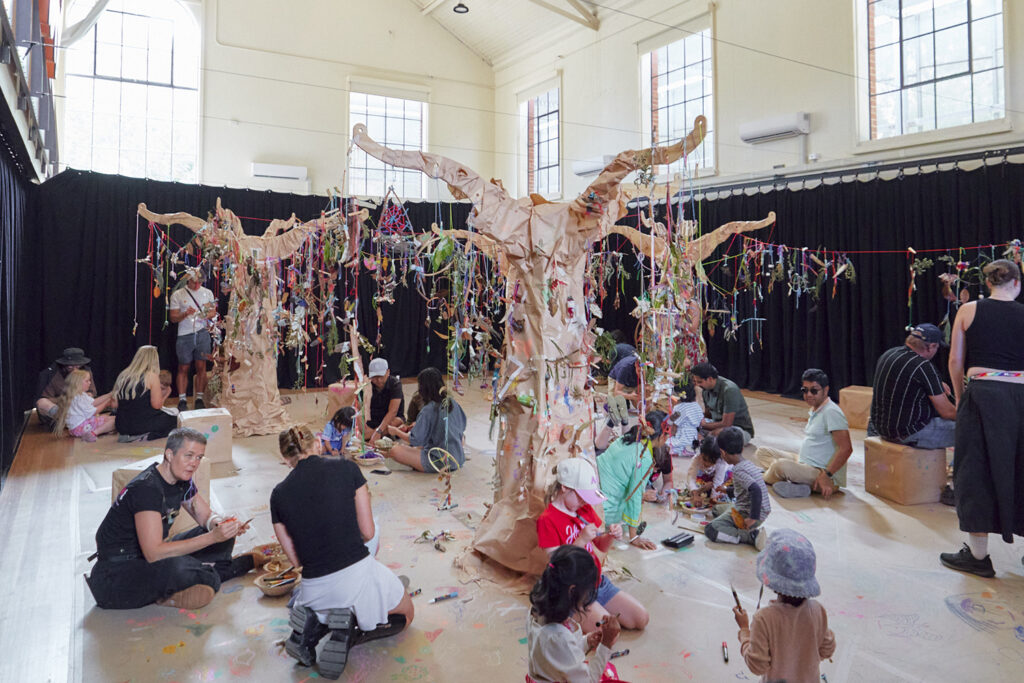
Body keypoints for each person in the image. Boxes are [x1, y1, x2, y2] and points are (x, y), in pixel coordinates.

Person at [273, 425, 413, 678]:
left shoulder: (277, 495)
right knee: (406, 615)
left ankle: (314, 628)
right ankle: (351, 632)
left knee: (337, 599)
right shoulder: (347, 467)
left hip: (314, 587)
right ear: (317, 443)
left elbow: (295, 560)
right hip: (356, 573)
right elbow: (368, 532)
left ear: (285, 458)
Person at [86, 428, 261, 610]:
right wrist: (212, 537)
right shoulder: (147, 489)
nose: (194, 463)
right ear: (169, 454)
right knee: (181, 567)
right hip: (116, 576)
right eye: (189, 455)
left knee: (217, 537)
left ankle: (200, 575)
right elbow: (154, 554)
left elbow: (205, 516)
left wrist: (222, 526)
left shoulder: (181, 479)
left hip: (147, 557)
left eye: (199, 457)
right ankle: (220, 571)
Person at [940, 259, 1024, 578]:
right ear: (1016, 283)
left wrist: (962, 398)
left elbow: (955, 360)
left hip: (984, 393)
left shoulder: (969, 310)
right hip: (1022, 394)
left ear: (988, 283)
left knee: (975, 470)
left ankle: (978, 557)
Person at [536, 458, 649, 632]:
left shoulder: (584, 509)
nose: (584, 502)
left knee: (641, 619)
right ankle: (565, 611)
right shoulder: (547, 519)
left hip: (596, 582)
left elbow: (601, 546)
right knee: (608, 631)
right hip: (570, 591)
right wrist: (581, 541)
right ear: (565, 488)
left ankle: (589, 610)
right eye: (581, 497)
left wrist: (611, 535)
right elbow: (557, 565)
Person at [732, 529, 836, 682]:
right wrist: (804, 659)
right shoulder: (818, 610)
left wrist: (744, 631)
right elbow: (827, 649)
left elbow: (757, 666)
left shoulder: (764, 618)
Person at [526, 545, 621, 683]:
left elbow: (557, 654)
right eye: (587, 592)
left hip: (543, 675)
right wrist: (606, 644)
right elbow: (588, 681)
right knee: (608, 674)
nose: (588, 597)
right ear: (572, 591)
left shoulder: (537, 610)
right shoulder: (557, 635)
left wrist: (587, 641)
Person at [755, 369, 853, 499]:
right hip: (803, 461)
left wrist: (826, 475)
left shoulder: (832, 412)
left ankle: (760, 477)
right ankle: (796, 484)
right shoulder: (817, 409)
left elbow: (846, 449)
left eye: (814, 390)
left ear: (826, 390)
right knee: (762, 452)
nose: (808, 394)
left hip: (821, 472)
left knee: (780, 465)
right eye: (805, 390)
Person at [870, 323, 956, 449]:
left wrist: (935, 383)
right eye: (937, 347)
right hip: (908, 433)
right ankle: (960, 467)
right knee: (972, 429)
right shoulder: (923, 366)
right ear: (931, 347)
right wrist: (968, 415)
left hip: (879, 428)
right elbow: (947, 412)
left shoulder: (888, 354)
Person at [597, 411, 668, 549]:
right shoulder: (643, 456)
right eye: (666, 434)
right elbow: (634, 496)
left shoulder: (628, 437)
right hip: (604, 507)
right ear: (660, 435)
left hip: (594, 491)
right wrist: (634, 536)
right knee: (637, 499)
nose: (667, 438)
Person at [384, 367, 466, 472]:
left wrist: (396, 431)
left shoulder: (428, 409)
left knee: (395, 450)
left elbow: (415, 440)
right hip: (458, 457)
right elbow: (462, 427)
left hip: (439, 461)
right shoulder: (453, 402)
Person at [705, 427, 770, 549]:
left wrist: (753, 517)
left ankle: (750, 536)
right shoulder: (747, 464)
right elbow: (745, 490)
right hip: (756, 509)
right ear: (742, 448)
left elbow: (756, 490)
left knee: (711, 530)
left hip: (751, 513)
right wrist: (726, 490)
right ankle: (736, 523)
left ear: (723, 453)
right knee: (716, 510)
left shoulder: (738, 470)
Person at [169, 270, 216, 412]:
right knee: (183, 367)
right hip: (185, 334)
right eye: (194, 282)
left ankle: (199, 398)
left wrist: (204, 315)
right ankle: (182, 399)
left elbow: (213, 312)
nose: (197, 285)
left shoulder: (207, 293)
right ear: (188, 280)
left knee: (201, 366)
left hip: (202, 333)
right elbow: (173, 317)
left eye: (200, 282)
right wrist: (185, 314)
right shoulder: (178, 294)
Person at [112, 345, 176, 440]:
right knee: (174, 421)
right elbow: (157, 405)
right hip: (141, 424)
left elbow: (115, 404)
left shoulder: (123, 375)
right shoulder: (152, 376)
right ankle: (144, 436)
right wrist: (166, 394)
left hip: (121, 425)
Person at [692, 362, 755, 443]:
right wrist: (695, 418)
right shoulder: (705, 389)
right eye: (695, 382)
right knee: (689, 427)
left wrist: (703, 425)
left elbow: (726, 424)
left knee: (719, 434)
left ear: (710, 379)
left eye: (699, 382)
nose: (697, 385)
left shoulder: (729, 390)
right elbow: (709, 414)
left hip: (737, 429)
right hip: (719, 424)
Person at [35, 347, 96, 427]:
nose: (74, 370)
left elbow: (92, 392)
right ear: (64, 365)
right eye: (70, 367)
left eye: (77, 367)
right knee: (42, 403)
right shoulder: (52, 375)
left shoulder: (86, 371)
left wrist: (83, 397)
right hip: (61, 409)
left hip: (80, 408)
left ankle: (77, 421)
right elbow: (45, 399)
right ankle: (67, 420)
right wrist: (67, 398)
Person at [52, 369, 115, 442]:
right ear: (78, 383)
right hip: (82, 427)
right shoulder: (78, 398)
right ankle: (93, 433)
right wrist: (107, 403)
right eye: (87, 381)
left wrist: (109, 395)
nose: (90, 383)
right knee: (115, 421)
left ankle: (103, 430)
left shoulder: (79, 395)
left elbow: (94, 402)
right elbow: (94, 412)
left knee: (109, 418)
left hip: (77, 428)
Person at [363, 358, 406, 441]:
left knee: (397, 421)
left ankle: (368, 436)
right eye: (374, 377)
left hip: (391, 419)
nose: (378, 380)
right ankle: (376, 434)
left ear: (388, 372)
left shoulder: (395, 384)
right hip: (374, 418)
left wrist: (379, 431)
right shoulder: (368, 385)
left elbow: (393, 411)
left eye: (381, 377)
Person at [685, 435, 731, 507]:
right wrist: (696, 495)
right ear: (701, 454)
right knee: (690, 485)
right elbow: (691, 477)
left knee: (725, 489)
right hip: (707, 477)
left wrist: (711, 501)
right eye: (704, 459)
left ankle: (708, 489)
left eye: (711, 462)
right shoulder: (697, 458)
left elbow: (718, 482)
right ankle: (704, 488)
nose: (707, 463)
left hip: (722, 478)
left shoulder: (721, 462)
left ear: (717, 459)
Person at [667, 378, 703, 457]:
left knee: (665, 443)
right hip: (694, 439)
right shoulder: (697, 406)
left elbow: (672, 427)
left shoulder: (678, 408)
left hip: (682, 439)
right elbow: (701, 423)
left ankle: (683, 450)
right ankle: (690, 449)